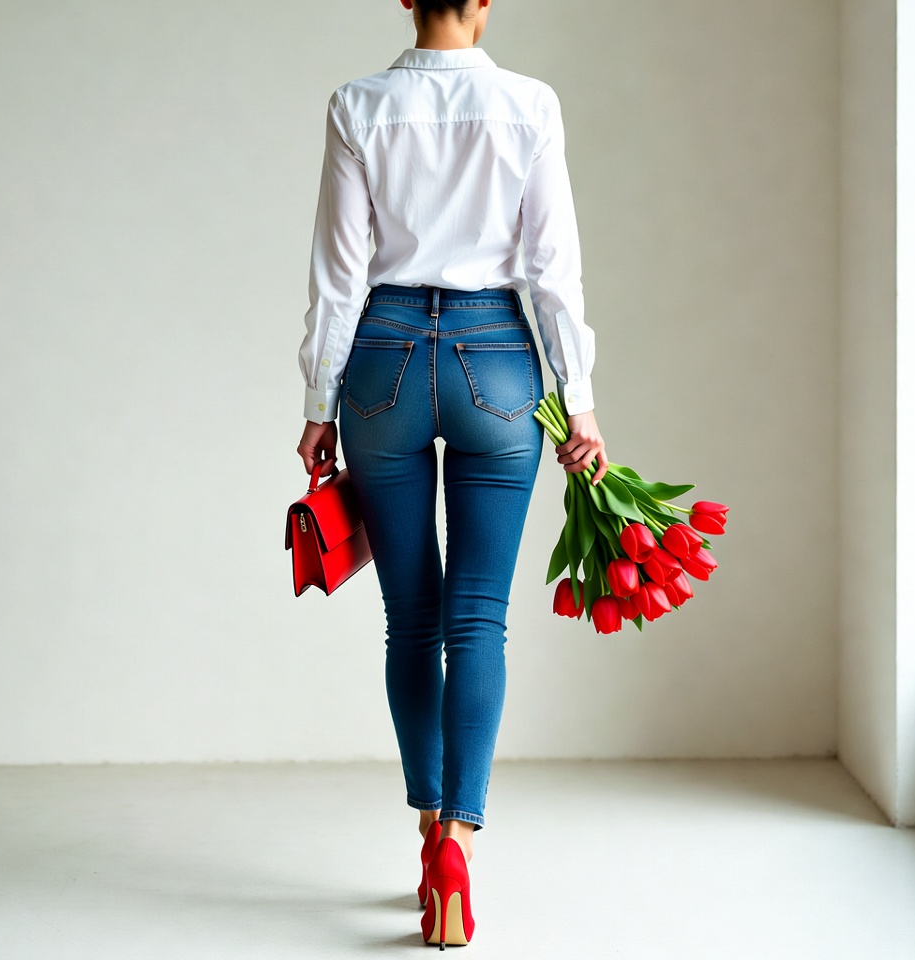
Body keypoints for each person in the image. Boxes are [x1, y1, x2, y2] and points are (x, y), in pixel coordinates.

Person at [296, 0, 607, 947]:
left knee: (412, 617)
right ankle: (460, 840)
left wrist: (319, 403)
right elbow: (551, 265)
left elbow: (338, 272)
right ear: (486, 2)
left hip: (383, 358)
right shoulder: (530, 105)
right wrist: (579, 398)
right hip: (499, 363)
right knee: (477, 617)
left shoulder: (358, 105)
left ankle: (428, 822)